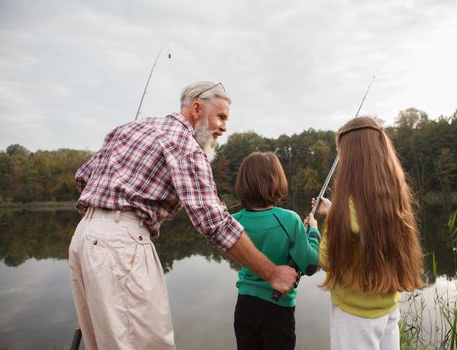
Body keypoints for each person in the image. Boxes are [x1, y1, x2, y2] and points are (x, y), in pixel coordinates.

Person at [68, 81, 297, 350]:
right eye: (220, 117)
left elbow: (83, 176)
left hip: (83, 239)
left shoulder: (128, 129)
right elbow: (214, 223)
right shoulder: (184, 143)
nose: (224, 127)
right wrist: (271, 272)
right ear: (197, 109)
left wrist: (104, 218)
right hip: (121, 245)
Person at [310, 116, 424, 350]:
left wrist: (317, 225)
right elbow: (363, 228)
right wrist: (334, 210)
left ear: (351, 159)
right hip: (389, 310)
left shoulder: (345, 210)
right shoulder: (395, 202)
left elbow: (326, 261)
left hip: (354, 317)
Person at [232, 151, 320, 350]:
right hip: (277, 310)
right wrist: (313, 232)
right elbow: (310, 265)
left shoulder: (234, 221)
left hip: (244, 306)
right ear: (276, 181)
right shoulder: (289, 220)